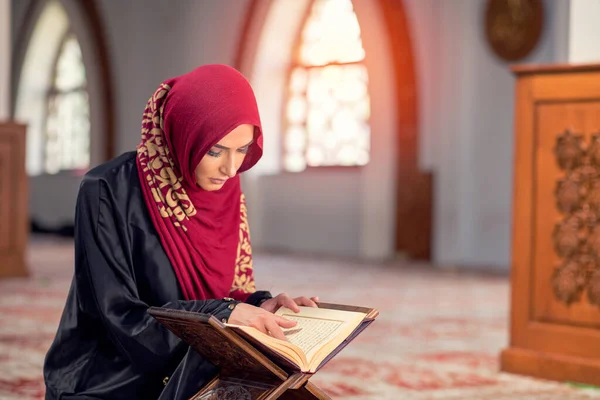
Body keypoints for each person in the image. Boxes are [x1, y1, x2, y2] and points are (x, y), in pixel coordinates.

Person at [43, 64, 318, 400]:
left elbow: (225, 295)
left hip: (202, 355)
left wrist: (262, 306)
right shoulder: (105, 189)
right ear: (184, 132)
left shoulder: (226, 191)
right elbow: (120, 320)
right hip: (115, 372)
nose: (231, 168)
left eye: (242, 149)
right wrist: (224, 315)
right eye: (215, 150)